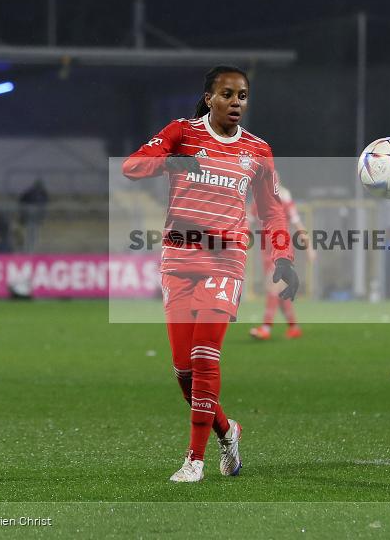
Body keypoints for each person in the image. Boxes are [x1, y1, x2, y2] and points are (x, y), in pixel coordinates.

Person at [122, 65, 298, 483]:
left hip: (226, 259)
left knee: (205, 355)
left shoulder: (257, 150)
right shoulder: (182, 132)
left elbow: (272, 210)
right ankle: (227, 430)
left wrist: (283, 258)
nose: (235, 103)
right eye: (226, 94)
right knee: (184, 372)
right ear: (208, 97)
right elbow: (132, 166)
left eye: (242, 96)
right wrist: (172, 161)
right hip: (179, 261)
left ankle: (194, 460)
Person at [248, 183, 313, 339]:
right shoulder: (258, 201)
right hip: (266, 251)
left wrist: (309, 248)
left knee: (273, 286)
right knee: (278, 290)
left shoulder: (284, 198)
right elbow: (247, 222)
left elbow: (298, 224)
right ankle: (294, 327)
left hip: (281, 247)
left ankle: (266, 328)